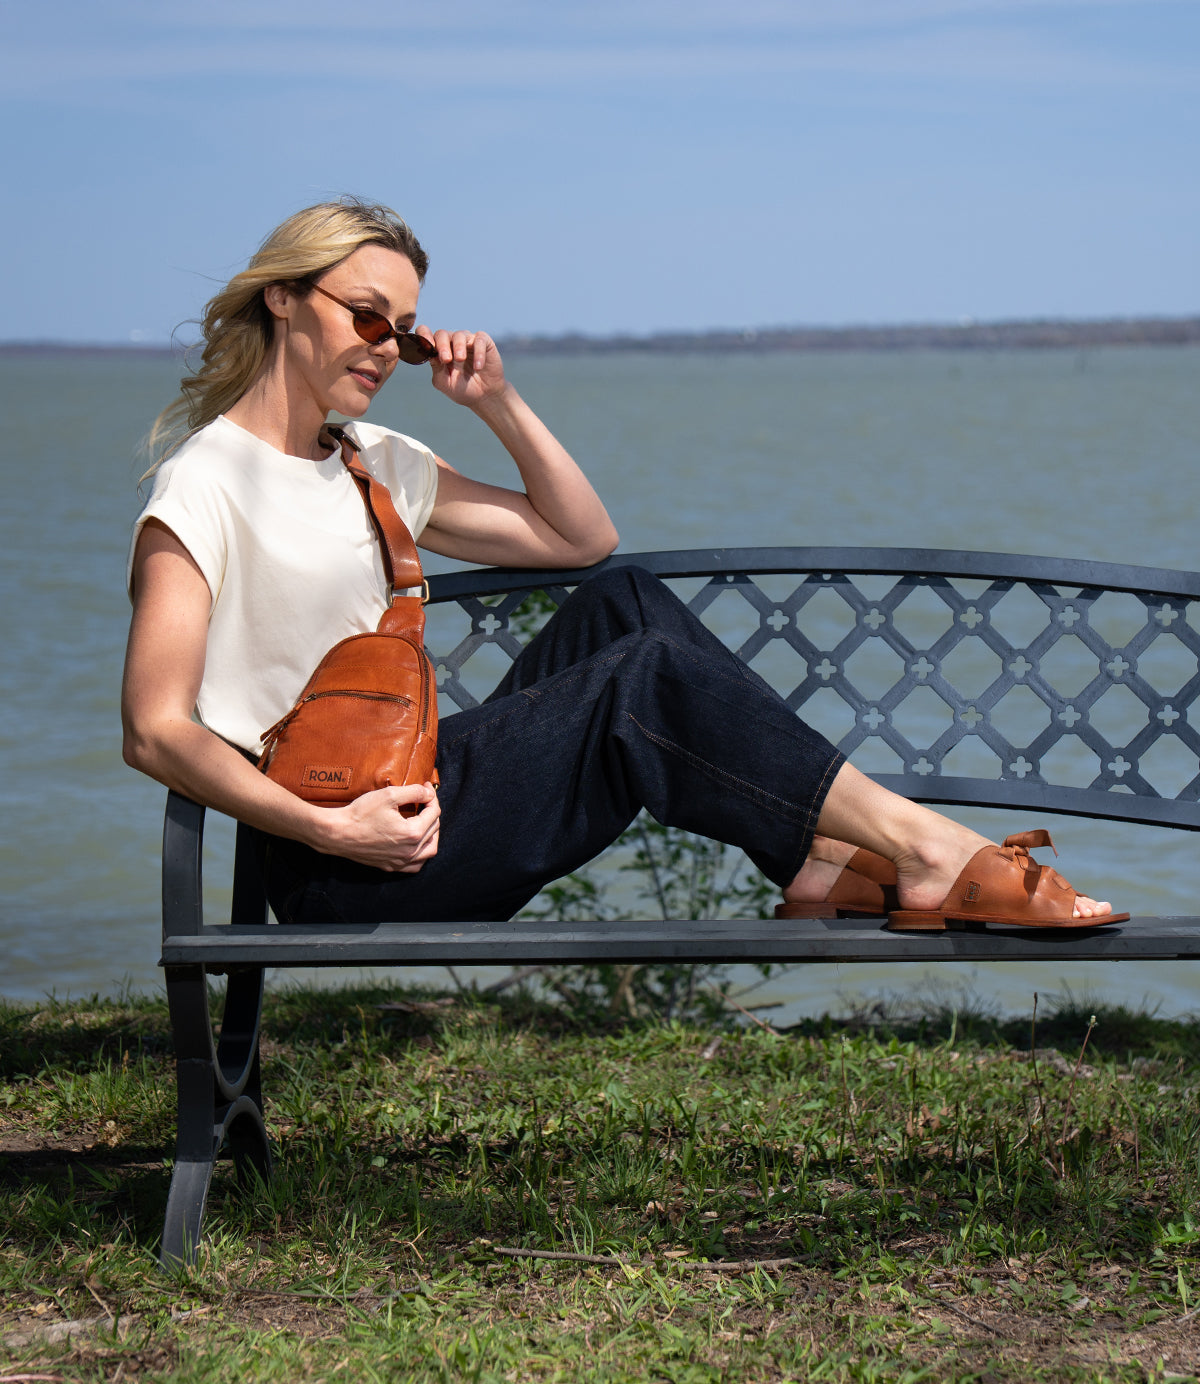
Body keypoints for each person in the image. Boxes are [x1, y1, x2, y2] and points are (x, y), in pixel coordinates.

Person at [122, 198, 1125, 933]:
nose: (389, 348)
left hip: (421, 788)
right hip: (346, 854)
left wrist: (496, 404)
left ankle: (822, 854)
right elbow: (154, 729)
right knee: (639, 678)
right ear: (287, 301)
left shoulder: (369, 459)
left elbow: (580, 540)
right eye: (368, 317)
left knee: (623, 601)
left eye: (408, 334)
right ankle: (926, 847)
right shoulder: (204, 485)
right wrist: (332, 832)